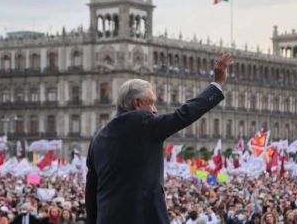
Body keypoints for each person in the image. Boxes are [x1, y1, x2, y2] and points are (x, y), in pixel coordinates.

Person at [85, 53, 233, 224]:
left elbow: (91, 193)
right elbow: (183, 115)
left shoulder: (97, 139)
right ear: (138, 103)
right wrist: (217, 83)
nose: (155, 110)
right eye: (152, 103)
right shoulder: (144, 123)